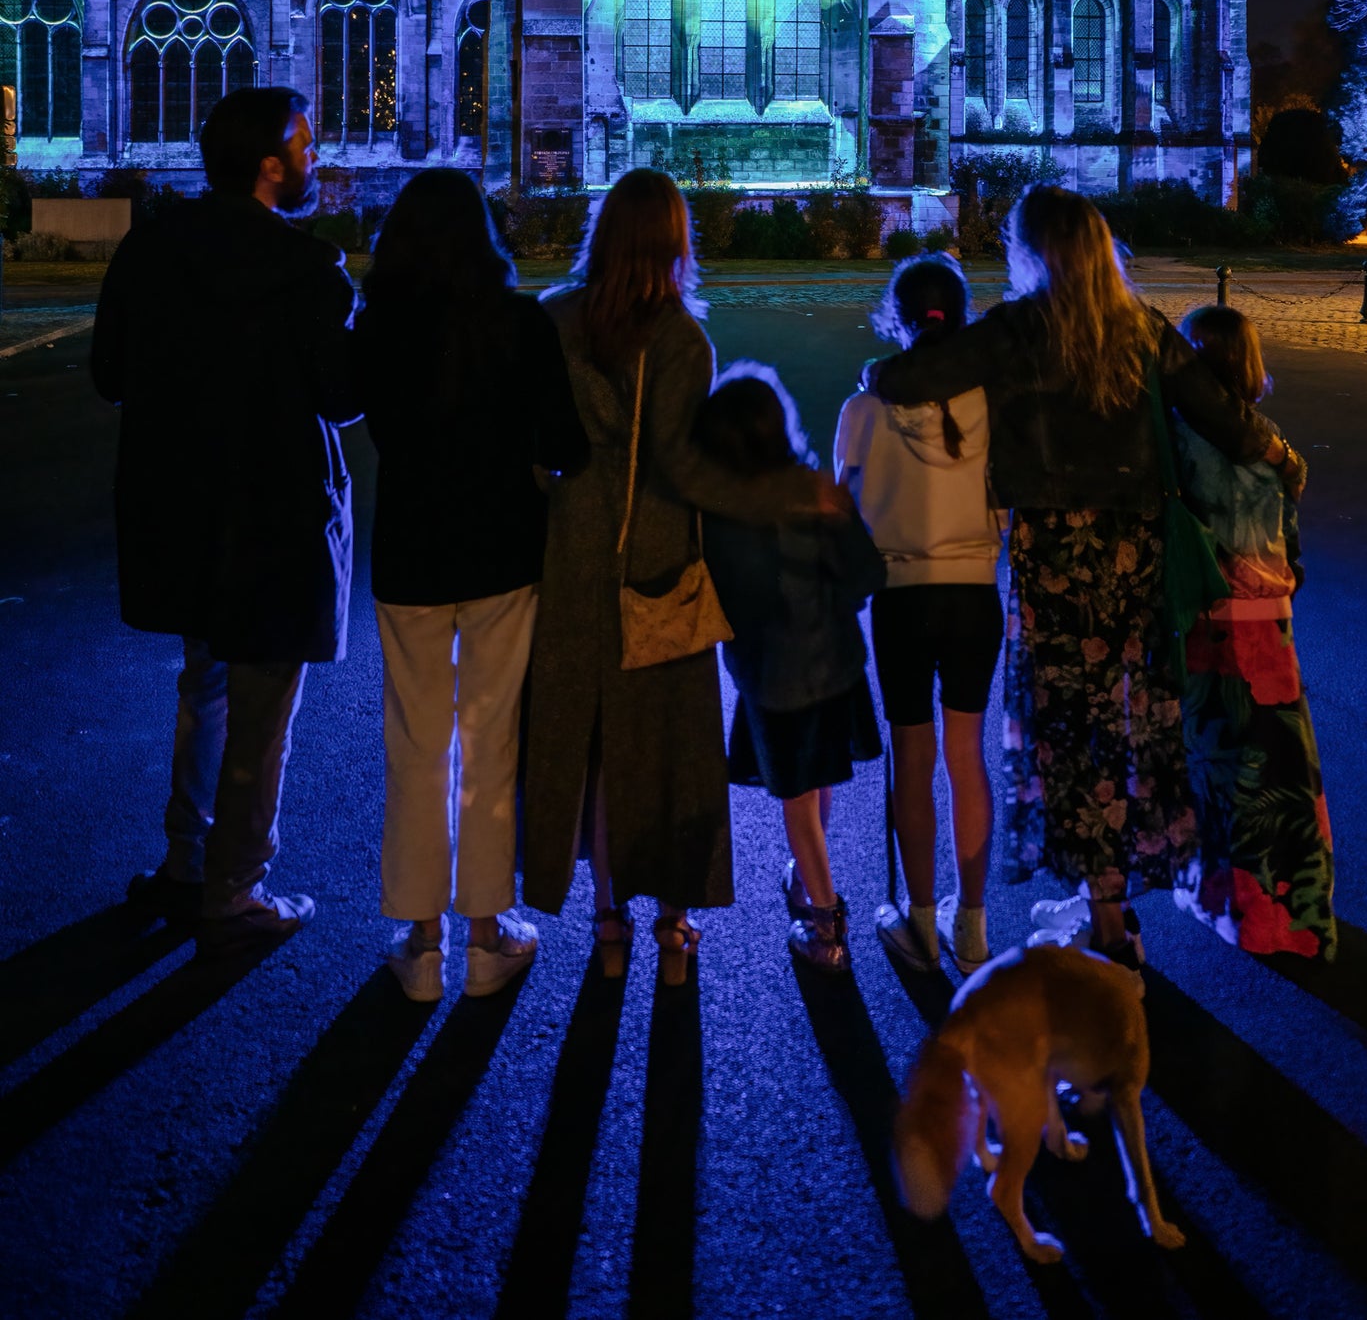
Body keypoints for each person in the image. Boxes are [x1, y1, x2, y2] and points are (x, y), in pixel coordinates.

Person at [869, 184, 1293, 969]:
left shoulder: (1019, 329)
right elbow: (1217, 411)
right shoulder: (1140, 329)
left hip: (1056, 555)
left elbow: (908, 378)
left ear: (1034, 252)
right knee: (1131, 721)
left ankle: (1100, 917)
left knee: (1066, 729)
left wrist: (879, 367)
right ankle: (1109, 905)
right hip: (1132, 553)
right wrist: (1279, 454)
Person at [522, 169, 839, 985]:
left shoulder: (555, 319)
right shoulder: (678, 341)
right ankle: (670, 920)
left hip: (571, 554)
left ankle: (606, 918)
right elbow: (676, 465)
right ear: (674, 240)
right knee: (667, 750)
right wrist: (777, 492)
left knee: (590, 746)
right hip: (657, 565)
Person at [91, 87, 359, 956]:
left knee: (201, 683)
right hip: (276, 518)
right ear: (270, 166)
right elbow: (342, 396)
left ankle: (186, 857)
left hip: (180, 510)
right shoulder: (308, 269)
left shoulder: (150, 248)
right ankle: (235, 886)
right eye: (307, 148)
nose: (317, 160)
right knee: (262, 704)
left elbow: (109, 374)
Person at [355, 171, 589, 1002]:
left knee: (416, 743)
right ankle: (488, 934)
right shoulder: (518, 322)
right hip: (501, 552)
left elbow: (343, 399)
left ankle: (420, 943)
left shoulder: (381, 324)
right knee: (492, 743)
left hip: (412, 552)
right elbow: (567, 441)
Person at [835, 254, 1004, 976]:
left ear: (898, 318)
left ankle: (920, 918)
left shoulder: (865, 408)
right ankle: (973, 925)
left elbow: (841, 504)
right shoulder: (989, 402)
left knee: (912, 758)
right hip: (974, 592)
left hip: (901, 596)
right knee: (967, 758)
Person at [695, 364, 885, 972]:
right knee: (819, 778)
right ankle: (809, 882)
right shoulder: (818, 491)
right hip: (836, 664)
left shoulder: (725, 514)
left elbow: (732, 601)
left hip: (774, 677)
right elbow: (868, 576)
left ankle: (824, 923)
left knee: (798, 796)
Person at [1171, 306, 1334, 960]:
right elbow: (1289, 551)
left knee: (1220, 773)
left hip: (1211, 632)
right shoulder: (1273, 446)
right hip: (1272, 629)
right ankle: (1297, 913)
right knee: (1281, 772)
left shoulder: (1185, 440)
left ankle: (1231, 905)